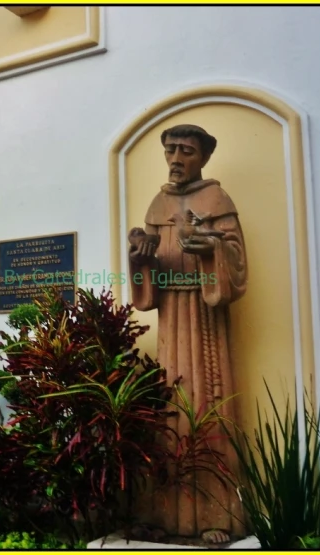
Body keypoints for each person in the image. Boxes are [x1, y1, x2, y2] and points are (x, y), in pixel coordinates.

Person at [128, 124, 247, 543]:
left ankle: (216, 516)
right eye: (171, 150)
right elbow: (149, 276)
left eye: (187, 151)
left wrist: (211, 248)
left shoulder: (217, 200)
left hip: (204, 317)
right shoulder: (159, 203)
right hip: (171, 321)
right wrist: (141, 255)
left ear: (203, 158)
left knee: (208, 409)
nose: (177, 159)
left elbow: (236, 261)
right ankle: (162, 515)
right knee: (169, 413)